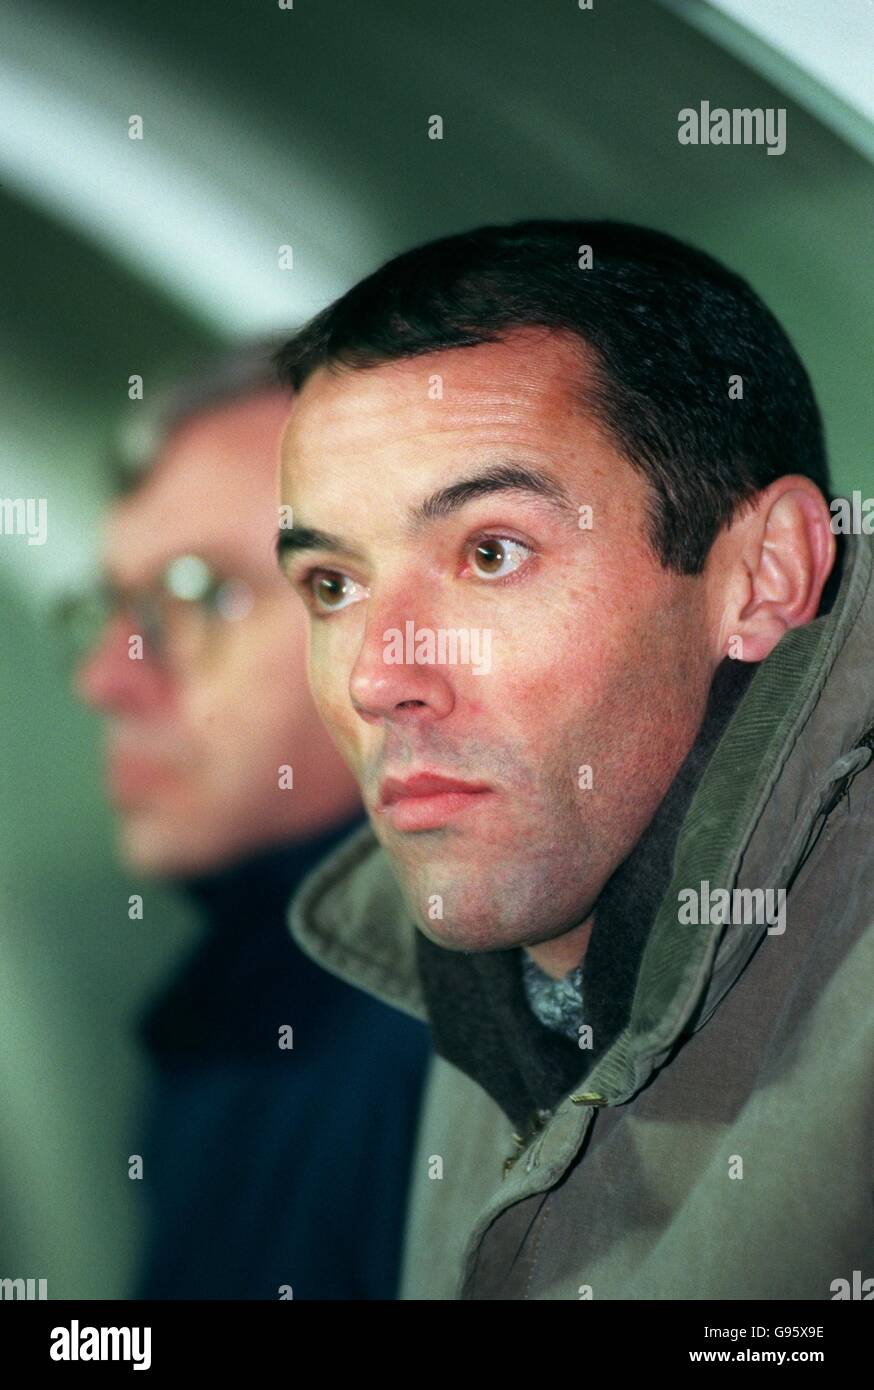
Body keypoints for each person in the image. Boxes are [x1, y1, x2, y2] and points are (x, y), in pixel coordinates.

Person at [272, 220, 874, 1300]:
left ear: (763, 574)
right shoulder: (499, 955)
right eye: (332, 583)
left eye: (489, 553)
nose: (377, 676)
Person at [69, 345, 430, 1299]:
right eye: (113, 608)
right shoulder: (232, 1011)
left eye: (199, 598)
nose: (106, 678)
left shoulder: (461, 1047)